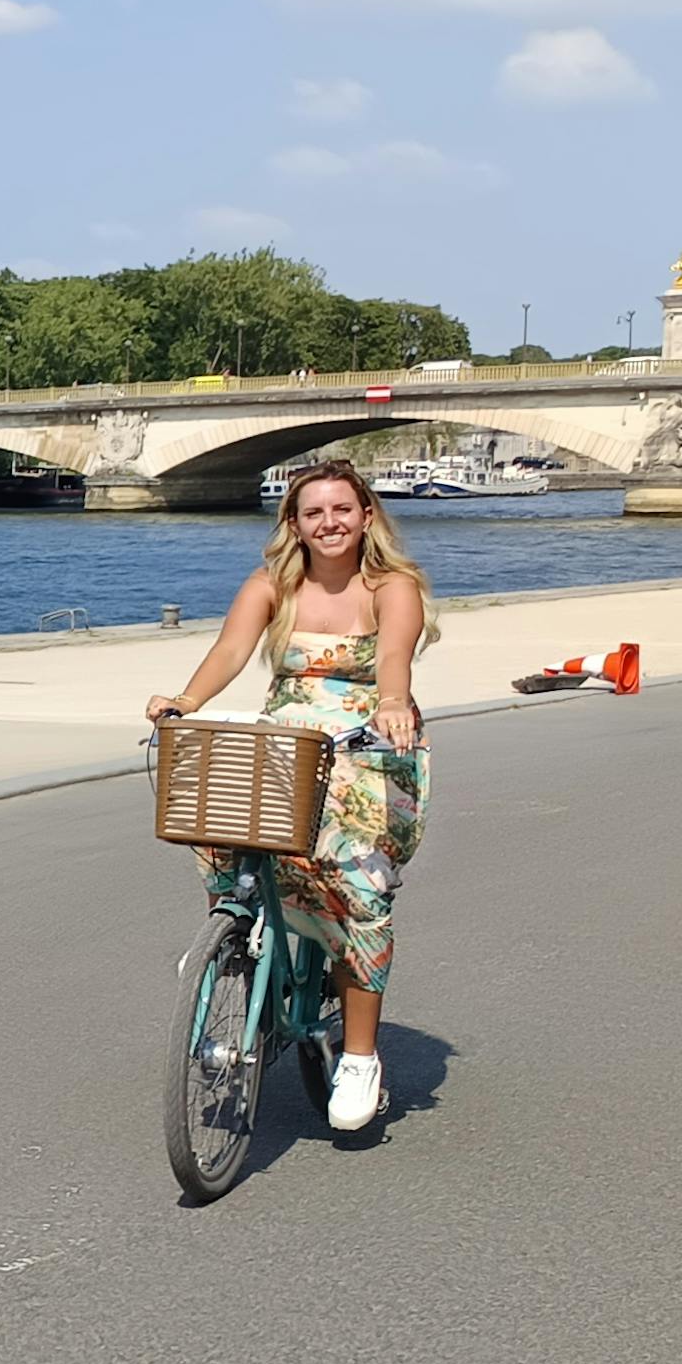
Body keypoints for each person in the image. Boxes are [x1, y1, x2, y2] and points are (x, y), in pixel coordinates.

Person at [145, 456, 435, 1132]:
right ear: (295, 524)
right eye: (314, 513)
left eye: (342, 510)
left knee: (358, 889)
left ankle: (359, 1056)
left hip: (370, 743)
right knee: (226, 831)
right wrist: (185, 700)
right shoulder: (272, 585)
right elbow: (229, 651)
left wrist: (393, 702)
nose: (329, 523)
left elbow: (393, 658)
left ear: (366, 516)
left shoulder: (392, 586)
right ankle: (239, 936)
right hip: (291, 741)